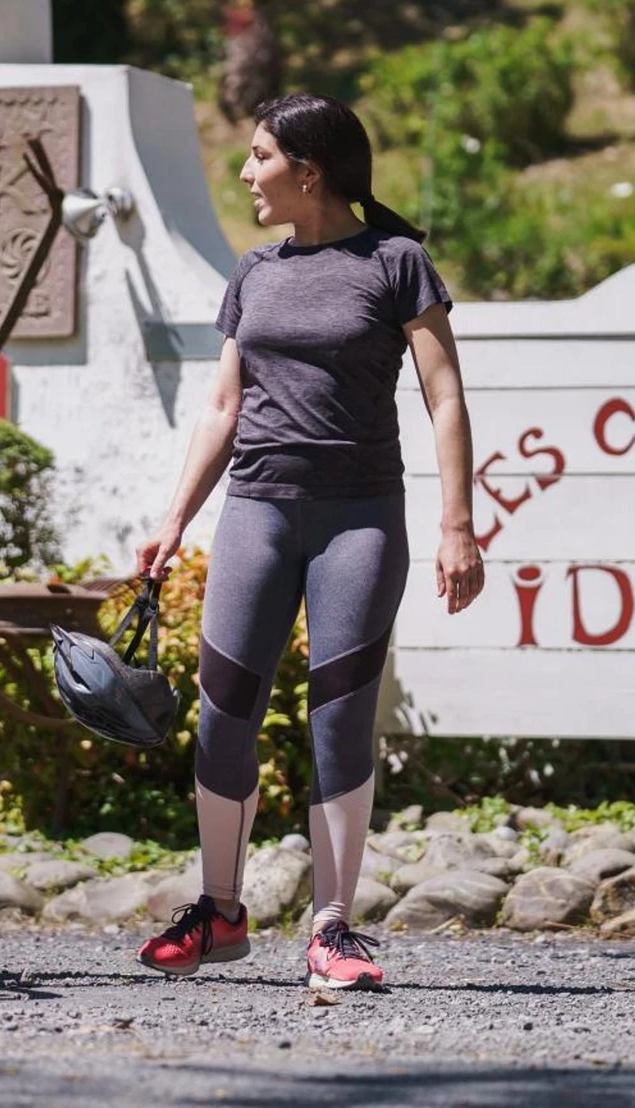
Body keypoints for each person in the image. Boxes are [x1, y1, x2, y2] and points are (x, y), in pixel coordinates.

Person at [132, 93, 485, 990]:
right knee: (223, 713)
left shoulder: (396, 262)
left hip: (358, 517)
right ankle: (219, 913)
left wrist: (457, 525)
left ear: (309, 171)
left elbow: (445, 394)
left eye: (259, 158)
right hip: (257, 509)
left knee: (338, 719)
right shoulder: (253, 273)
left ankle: (333, 928)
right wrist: (174, 519)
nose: (247, 174)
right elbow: (224, 406)